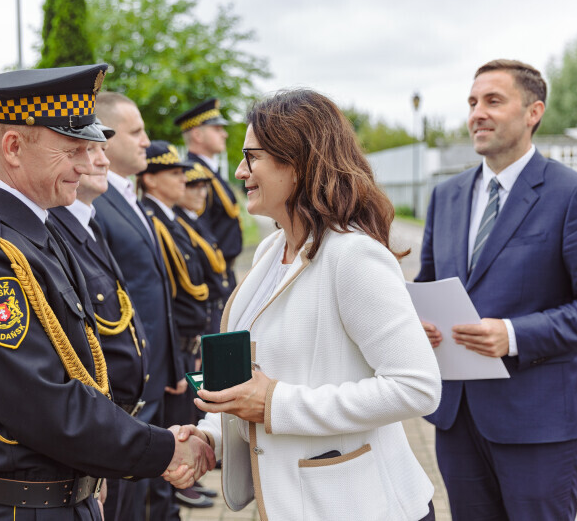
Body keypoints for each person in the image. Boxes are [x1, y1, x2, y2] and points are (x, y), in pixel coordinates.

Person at [0, 64, 214, 521]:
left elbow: (82, 366)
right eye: (72, 149)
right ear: (14, 148)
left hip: (58, 498)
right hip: (18, 509)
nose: (88, 162)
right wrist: (161, 449)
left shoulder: (36, 229)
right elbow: (43, 404)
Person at [177, 89, 442, 521]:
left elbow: (417, 387)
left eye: (252, 156)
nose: (241, 170)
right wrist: (212, 439)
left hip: (359, 506)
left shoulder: (352, 256)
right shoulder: (270, 251)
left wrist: (277, 404)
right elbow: (257, 383)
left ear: (297, 164)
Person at [416, 59, 577, 520]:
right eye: (472, 102)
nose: (477, 113)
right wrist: (417, 323)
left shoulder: (574, 195)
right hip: (456, 415)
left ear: (534, 112)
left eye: (493, 100)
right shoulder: (446, 196)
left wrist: (512, 335)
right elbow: (428, 282)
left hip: (541, 418)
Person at [47, 121, 152, 520]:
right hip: (101, 428)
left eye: (101, 149)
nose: (102, 160)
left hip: (119, 421)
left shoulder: (88, 224)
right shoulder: (56, 230)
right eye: (88, 150)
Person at [92, 92, 187, 521]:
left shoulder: (128, 196)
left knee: (150, 493)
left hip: (154, 370)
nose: (148, 141)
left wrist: (171, 365)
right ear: (106, 139)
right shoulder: (94, 201)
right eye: (137, 132)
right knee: (126, 499)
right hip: (127, 378)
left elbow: (152, 290)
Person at [137, 142, 214, 510]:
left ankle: (175, 493)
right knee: (174, 421)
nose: (184, 179)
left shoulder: (170, 218)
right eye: (174, 173)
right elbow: (165, 292)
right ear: (150, 179)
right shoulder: (153, 220)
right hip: (175, 338)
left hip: (186, 335)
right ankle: (172, 492)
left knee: (183, 416)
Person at [176, 98, 242, 329]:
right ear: (197, 135)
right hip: (213, 282)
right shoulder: (195, 175)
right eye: (216, 129)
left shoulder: (208, 172)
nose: (224, 134)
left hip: (223, 275)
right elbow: (197, 234)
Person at [174, 163, 232, 340]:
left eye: (204, 187)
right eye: (193, 187)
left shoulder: (196, 220)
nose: (202, 193)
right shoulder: (176, 226)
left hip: (216, 310)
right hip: (203, 317)